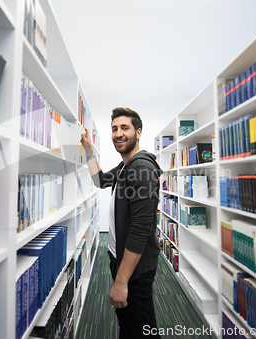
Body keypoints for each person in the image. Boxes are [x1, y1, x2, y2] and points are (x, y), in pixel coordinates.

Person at [80, 107, 163, 338]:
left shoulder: (142, 169)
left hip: (134, 269)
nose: (118, 133)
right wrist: (88, 149)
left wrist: (121, 282)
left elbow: (139, 231)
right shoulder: (126, 167)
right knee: (127, 327)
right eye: (114, 128)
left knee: (142, 330)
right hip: (120, 259)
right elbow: (99, 180)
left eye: (124, 128)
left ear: (138, 132)